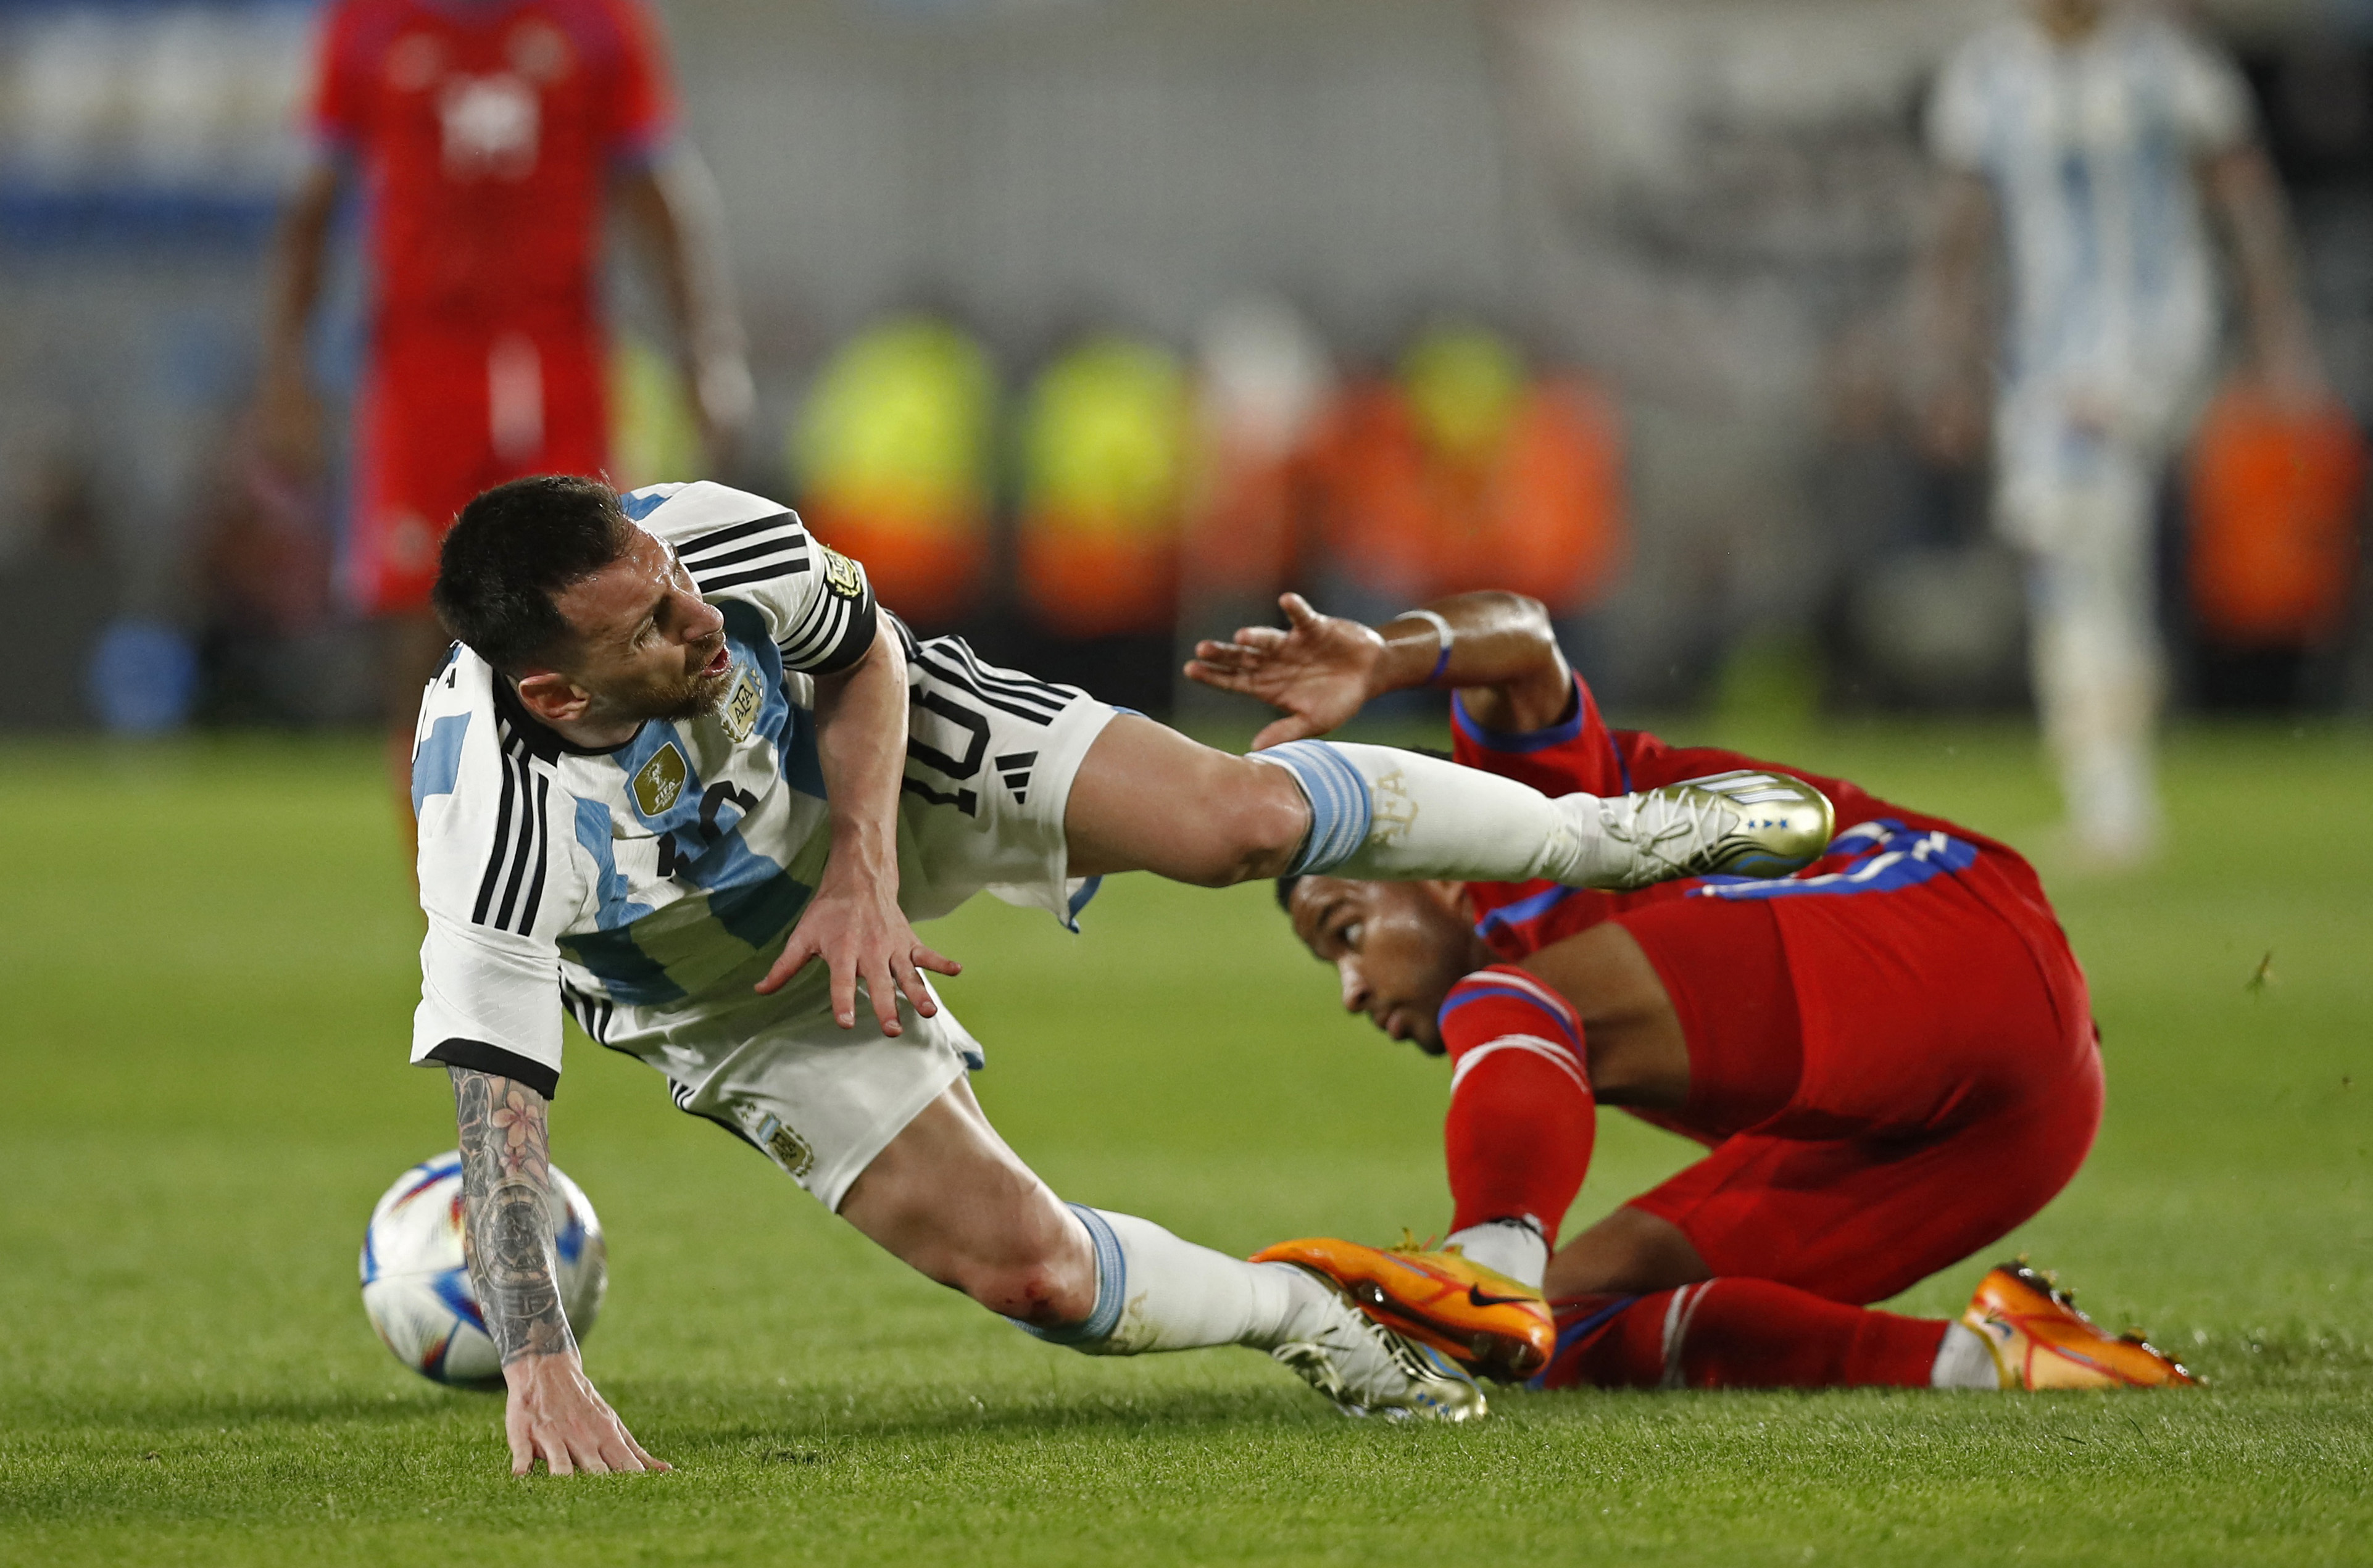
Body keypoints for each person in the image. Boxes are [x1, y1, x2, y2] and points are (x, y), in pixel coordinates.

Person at [410, 476, 1834, 1473]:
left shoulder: (712, 545)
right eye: (649, 630)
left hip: (882, 784)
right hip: (732, 988)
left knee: (1243, 820)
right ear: (556, 695)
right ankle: (1312, 1314)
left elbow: (864, 659)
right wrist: (540, 1359)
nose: (696, 623)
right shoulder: (496, 825)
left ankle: (1613, 836)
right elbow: (497, 1115)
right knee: (1031, 1273)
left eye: (670, 586)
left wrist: (864, 866)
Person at [1186, 589, 2198, 1393]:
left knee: (1509, 1006)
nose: (1354, 991)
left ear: (1427, 863)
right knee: (1546, 1332)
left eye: (1346, 932)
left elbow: (1522, 634)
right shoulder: (1533, 972)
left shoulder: (1520, 805)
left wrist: (1381, 654)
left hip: (1960, 939)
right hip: (2009, 1129)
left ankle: (1483, 1257)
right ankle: (1990, 1361)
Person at [259, 0, 752, 806]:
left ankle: (604, 865)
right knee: (422, 624)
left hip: (559, 359)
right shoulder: (369, 23)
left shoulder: (598, 20)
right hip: (423, 367)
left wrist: (710, 354)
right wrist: (284, 374)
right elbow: (312, 206)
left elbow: (657, 187)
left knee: (599, 611)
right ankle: (445, 893)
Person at [1922, 0, 2324, 866]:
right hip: (2042, 358)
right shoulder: (1986, 76)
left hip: (2153, 338)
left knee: (2074, 524)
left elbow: (2242, 201)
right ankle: (2106, 759)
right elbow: (1959, 234)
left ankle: (2114, 796)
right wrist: (1952, 369)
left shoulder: (2167, 65)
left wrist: (2273, 335)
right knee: (2062, 551)